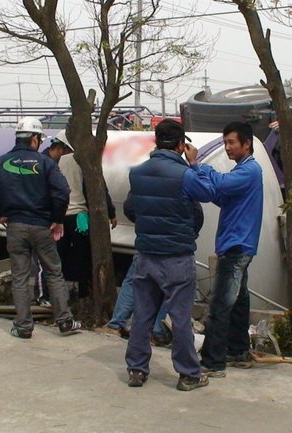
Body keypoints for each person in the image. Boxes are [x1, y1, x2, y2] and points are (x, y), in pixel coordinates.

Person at [124, 119, 215, 391]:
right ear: (180, 144)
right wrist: (194, 163)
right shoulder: (185, 174)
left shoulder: (137, 173)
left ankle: (136, 370)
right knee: (180, 318)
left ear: (156, 141)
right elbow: (208, 193)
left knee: (142, 315)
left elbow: (130, 208)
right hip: (177, 256)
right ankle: (188, 375)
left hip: (146, 255)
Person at [0, 117, 82, 339]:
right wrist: (57, 219)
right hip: (42, 226)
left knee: (20, 277)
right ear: (34, 138)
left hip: (15, 226)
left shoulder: (0, 163)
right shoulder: (46, 163)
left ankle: (23, 327)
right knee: (54, 272)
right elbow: (62, 192)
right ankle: (64, 321)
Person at [198, 121, 264, 378]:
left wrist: (200, 167)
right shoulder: (242, 171)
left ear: (246, 144)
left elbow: (223, 184)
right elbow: (222, 196)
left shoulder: (250, 170)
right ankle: (238, 350)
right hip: (236, 244)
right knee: (237, 303)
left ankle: (213, 362)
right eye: (225, 142)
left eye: (231, 142)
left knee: (220, 305)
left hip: (236, 246)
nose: (227, 147)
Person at [100, 193, 204, 344]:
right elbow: (197, 214)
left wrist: (144, 223)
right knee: (171, 289)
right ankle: (158, 331)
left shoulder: (143, 179)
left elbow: (129, 206)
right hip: (176, 244)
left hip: (148, 241)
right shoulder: (183, 181)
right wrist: (187, 233)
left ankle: (117, 324)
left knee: (134, 283)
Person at [36, 130, 117, 301]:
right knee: (83, 258)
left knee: (56, 257)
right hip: (80, 218)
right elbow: (98, 188)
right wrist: (111, 213)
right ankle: (84, 295)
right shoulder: (83, 161)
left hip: (58, 218)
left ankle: (50, 297)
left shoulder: (47, 162)